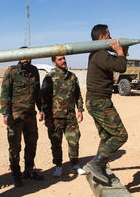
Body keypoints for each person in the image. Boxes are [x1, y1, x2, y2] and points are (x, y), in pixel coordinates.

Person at [83, 24, 128, 184]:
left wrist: (123, 50)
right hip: (99, 102)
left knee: (106, 136)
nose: (111, 38)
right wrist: (121, 52)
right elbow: (121, 66)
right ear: (102, 37)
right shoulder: (100, 54)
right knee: (120, 135)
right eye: (109, 35)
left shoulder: (97, 53)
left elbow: (114, 62)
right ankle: (96, 163)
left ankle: (99, 167)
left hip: (96, 101)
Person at [0, 51, 44, 187]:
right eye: (23, 56)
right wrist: (6, 113)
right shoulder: (11, 71)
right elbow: (5, 94)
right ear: (19, 57)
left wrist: (41, 109)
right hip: (15, 117)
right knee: (15, 147)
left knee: (32, 144)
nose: (26, 59)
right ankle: (15, 173)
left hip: (31, 116)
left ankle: (29, 170)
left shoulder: (34, 71)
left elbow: (38, 93)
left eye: (28, 56)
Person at [41, 55, 86, 177]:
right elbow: (44, 98)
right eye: (60, 59)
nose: (63, 61)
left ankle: (74, 165)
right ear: (54, 62)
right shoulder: (49, 78)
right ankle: (58, 166)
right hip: (55, 118)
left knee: (74, 141)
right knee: (56, 142)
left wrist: (80, 110)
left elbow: (78, 95)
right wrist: (46, 116)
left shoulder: (72, 76)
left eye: (64, 58)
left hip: (70, 116)